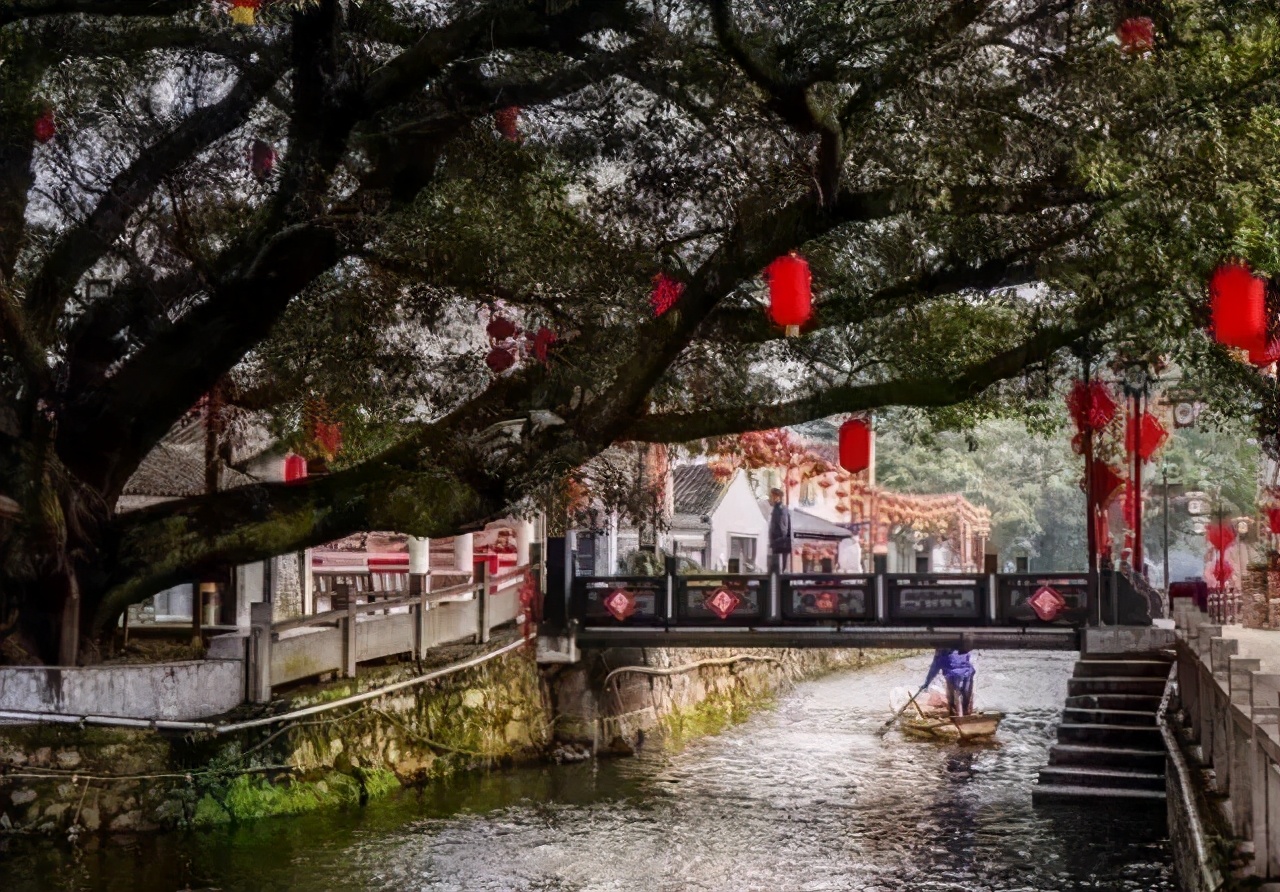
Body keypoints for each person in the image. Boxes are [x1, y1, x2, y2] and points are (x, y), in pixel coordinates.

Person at [924, 647, 976, 717]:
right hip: (951, 674)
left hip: (966, 673)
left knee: (965, 695)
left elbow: (935, 667)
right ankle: (954, 713)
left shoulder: (961, 646)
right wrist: (927, 682)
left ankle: (964, 712)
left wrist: (927, 682)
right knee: (954, 697)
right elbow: (934, 667)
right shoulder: (940, 651)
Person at [767, 487, 792, 573]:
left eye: (774, 496)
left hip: (781, 539)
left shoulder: (782, 509)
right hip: (776, 539)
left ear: (778, 497)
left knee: (782, 563)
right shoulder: (775, 508)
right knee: (776, 562)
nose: (773, 498)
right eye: (772, 496)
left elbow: (783, 524)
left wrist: (783, 538)